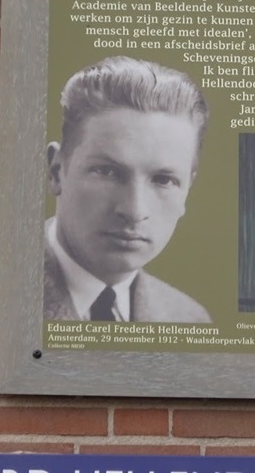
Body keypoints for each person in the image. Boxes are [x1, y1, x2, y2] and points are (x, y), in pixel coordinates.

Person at [43, 56, 212, 323]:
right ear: (56, 172)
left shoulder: (189, 318)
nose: (134, 211)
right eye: (107, 172)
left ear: (187, 190)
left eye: (163, 180)